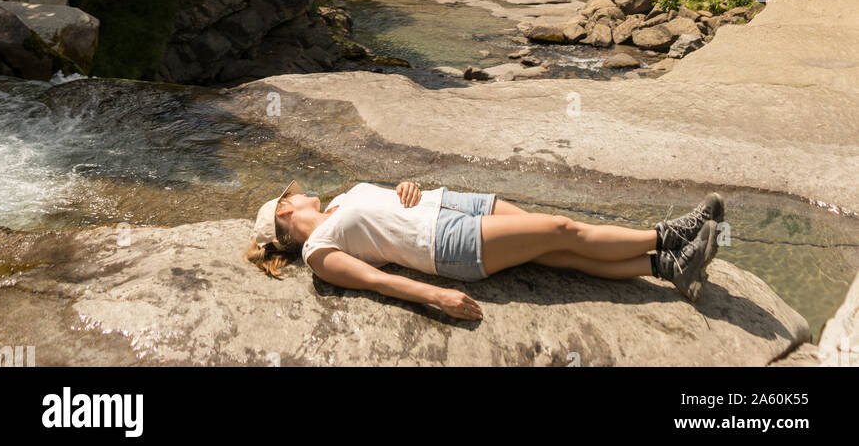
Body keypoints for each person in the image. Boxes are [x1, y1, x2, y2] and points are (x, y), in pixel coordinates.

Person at [245, 178, 723, 320]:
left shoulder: (343, 198)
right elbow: (376, 280)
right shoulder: (318, 252)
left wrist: (407, 186)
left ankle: (666, 267)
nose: (304, 188)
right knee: (559, 228)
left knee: (549, 248)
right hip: (442, 243)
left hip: (449, 202)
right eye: (293, 191)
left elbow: (395, 195)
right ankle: (668, 236)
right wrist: (436, 297)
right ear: (285, 211)